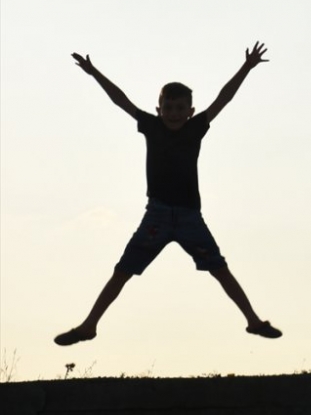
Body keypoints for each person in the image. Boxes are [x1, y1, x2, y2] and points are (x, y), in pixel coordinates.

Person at [54, 42, 282, 346]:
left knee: (220, 269)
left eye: (180, 108)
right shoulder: (151, 125)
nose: (173, 114)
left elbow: (223, 98)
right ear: (159, 109)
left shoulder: (196, 127)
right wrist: (94, 72)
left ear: (190, 111)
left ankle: (253, 321)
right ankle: (88, 326)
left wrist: (246, 68)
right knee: (122, 271)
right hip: (158, 215)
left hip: (189, 217)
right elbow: (120, 100)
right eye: (168, 108)